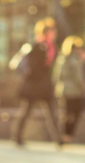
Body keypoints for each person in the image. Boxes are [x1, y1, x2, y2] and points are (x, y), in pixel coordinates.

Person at [11, 18, 62, 147]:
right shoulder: (39, 46)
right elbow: (34, 67)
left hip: (43, 86)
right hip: (35, 86)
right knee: (28, 111)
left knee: (51, 112)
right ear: (47, 32)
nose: (54, 33)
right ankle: (17, 136)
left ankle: (58, 139)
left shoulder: (50, 47)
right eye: (52, 30)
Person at [54, 36, 85, 143]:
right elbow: (79, 77)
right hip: (73, 91)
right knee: (73, 113)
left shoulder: (61, 58)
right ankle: (67, 135)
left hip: (63, 90)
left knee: (67, 113)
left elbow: (56, 76)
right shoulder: (73, 59)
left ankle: (65, 135)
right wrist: (84, 87)